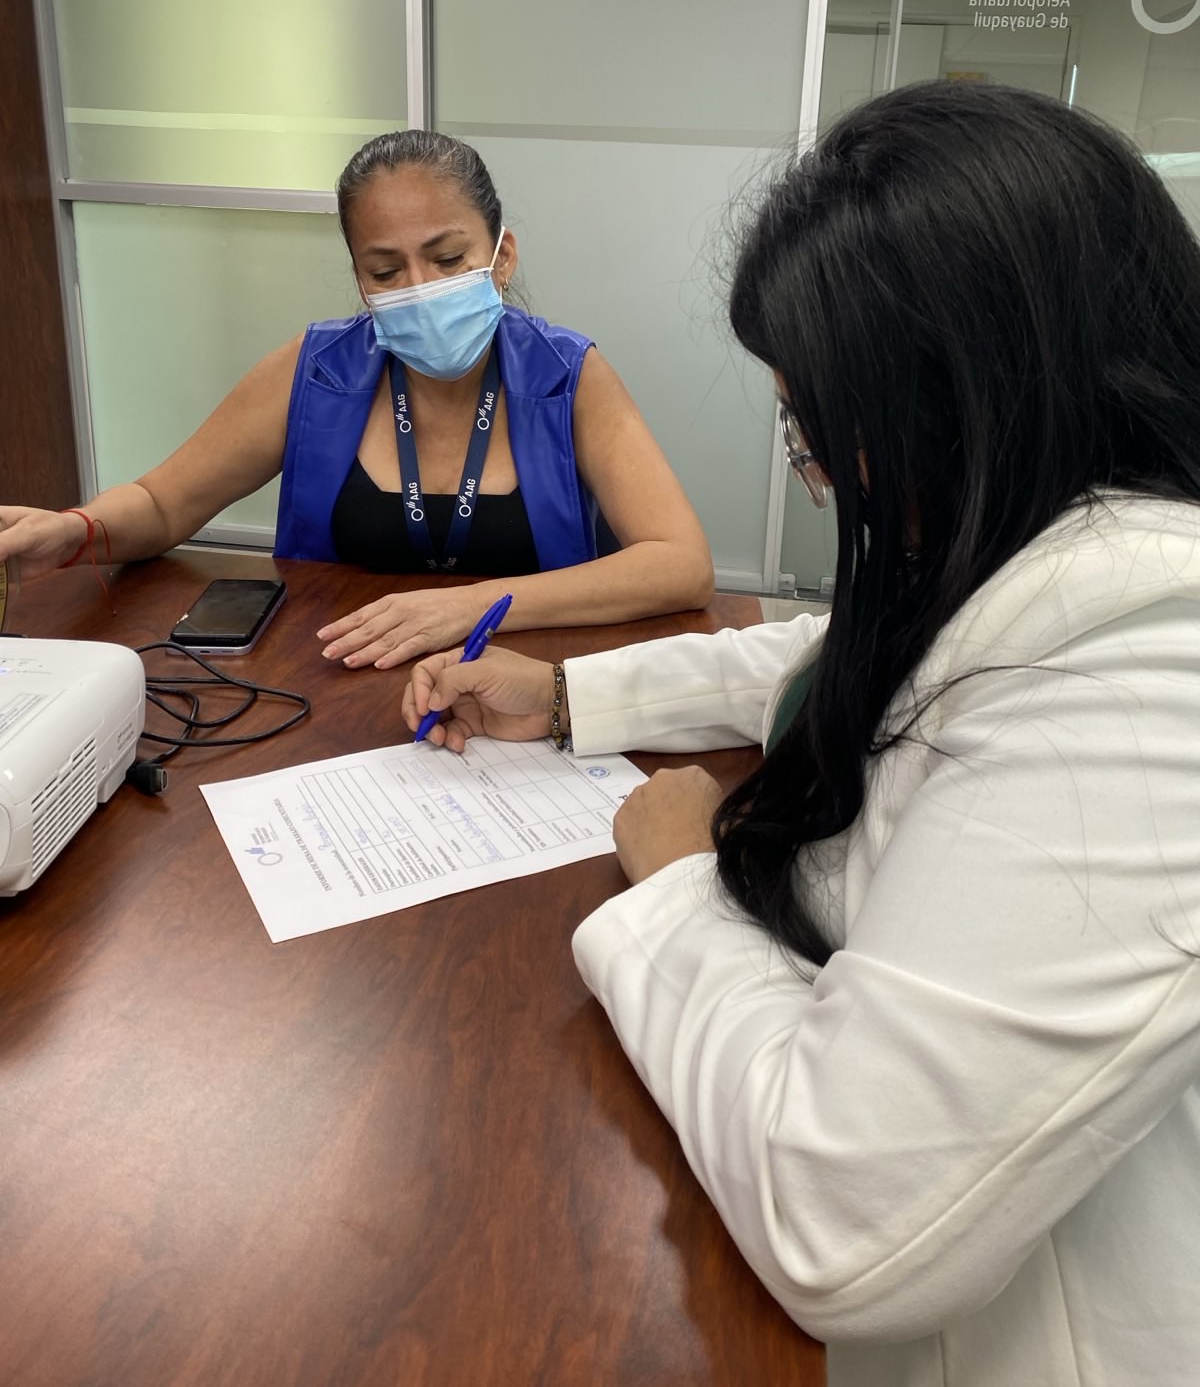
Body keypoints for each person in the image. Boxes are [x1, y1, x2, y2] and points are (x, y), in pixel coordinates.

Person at [399, 83, 1200, 1387]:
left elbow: (845, 1214)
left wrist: (681, 881)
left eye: (820, 434)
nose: (814, 474)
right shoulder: (1035, 543)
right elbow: (829, 655)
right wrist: (567, 697)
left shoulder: (1152, 651)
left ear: (965, 402)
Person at [0, 132, 713, 667]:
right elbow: (162, 505)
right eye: (385, 270)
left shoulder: (568, 375)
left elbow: (680, 563)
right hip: (334, 685)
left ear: (502, 256)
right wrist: (77, 531)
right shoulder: (313, 371)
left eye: (447, 258)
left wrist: (470, 607)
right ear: (360, 279)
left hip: (521, 683)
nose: (420, 287)